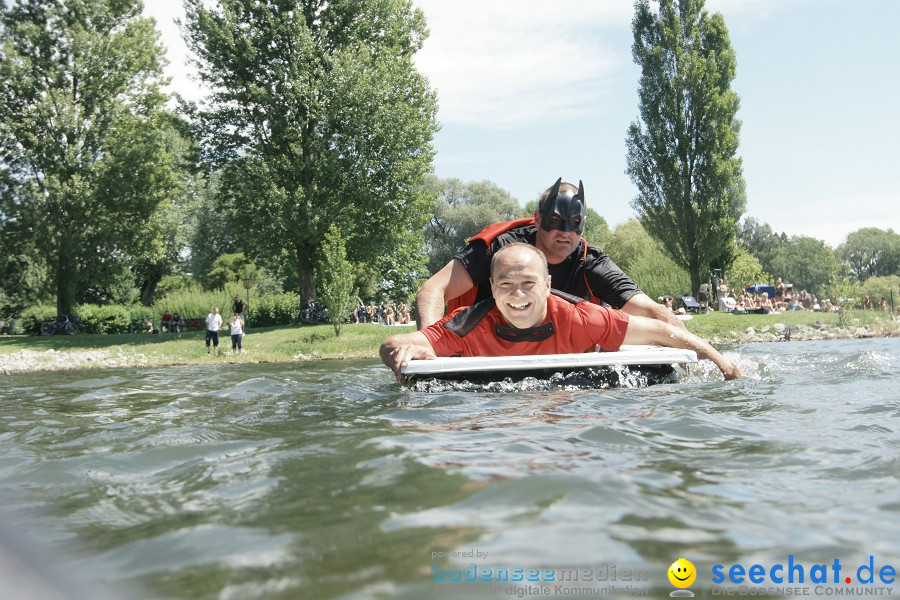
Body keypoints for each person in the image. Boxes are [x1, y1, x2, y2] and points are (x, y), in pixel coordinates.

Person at [383, 244, 741, 382]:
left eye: (528, 283)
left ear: (547, 282)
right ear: (491, 288)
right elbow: (392, 342)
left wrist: (721, 363)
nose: (517, 295)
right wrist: (403, 352)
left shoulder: (580, 316)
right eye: (505, 285)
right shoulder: (467, 322)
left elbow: (660, 332)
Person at [416, 177, 687, 332]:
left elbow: (647, 308)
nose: (565, 233)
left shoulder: (590, 262)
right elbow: (433, 289)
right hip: (492, 342)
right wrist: (428, 343)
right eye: (556, 220)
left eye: (574, 224)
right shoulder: (496, 248)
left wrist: (689, 343)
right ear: (537, 219)